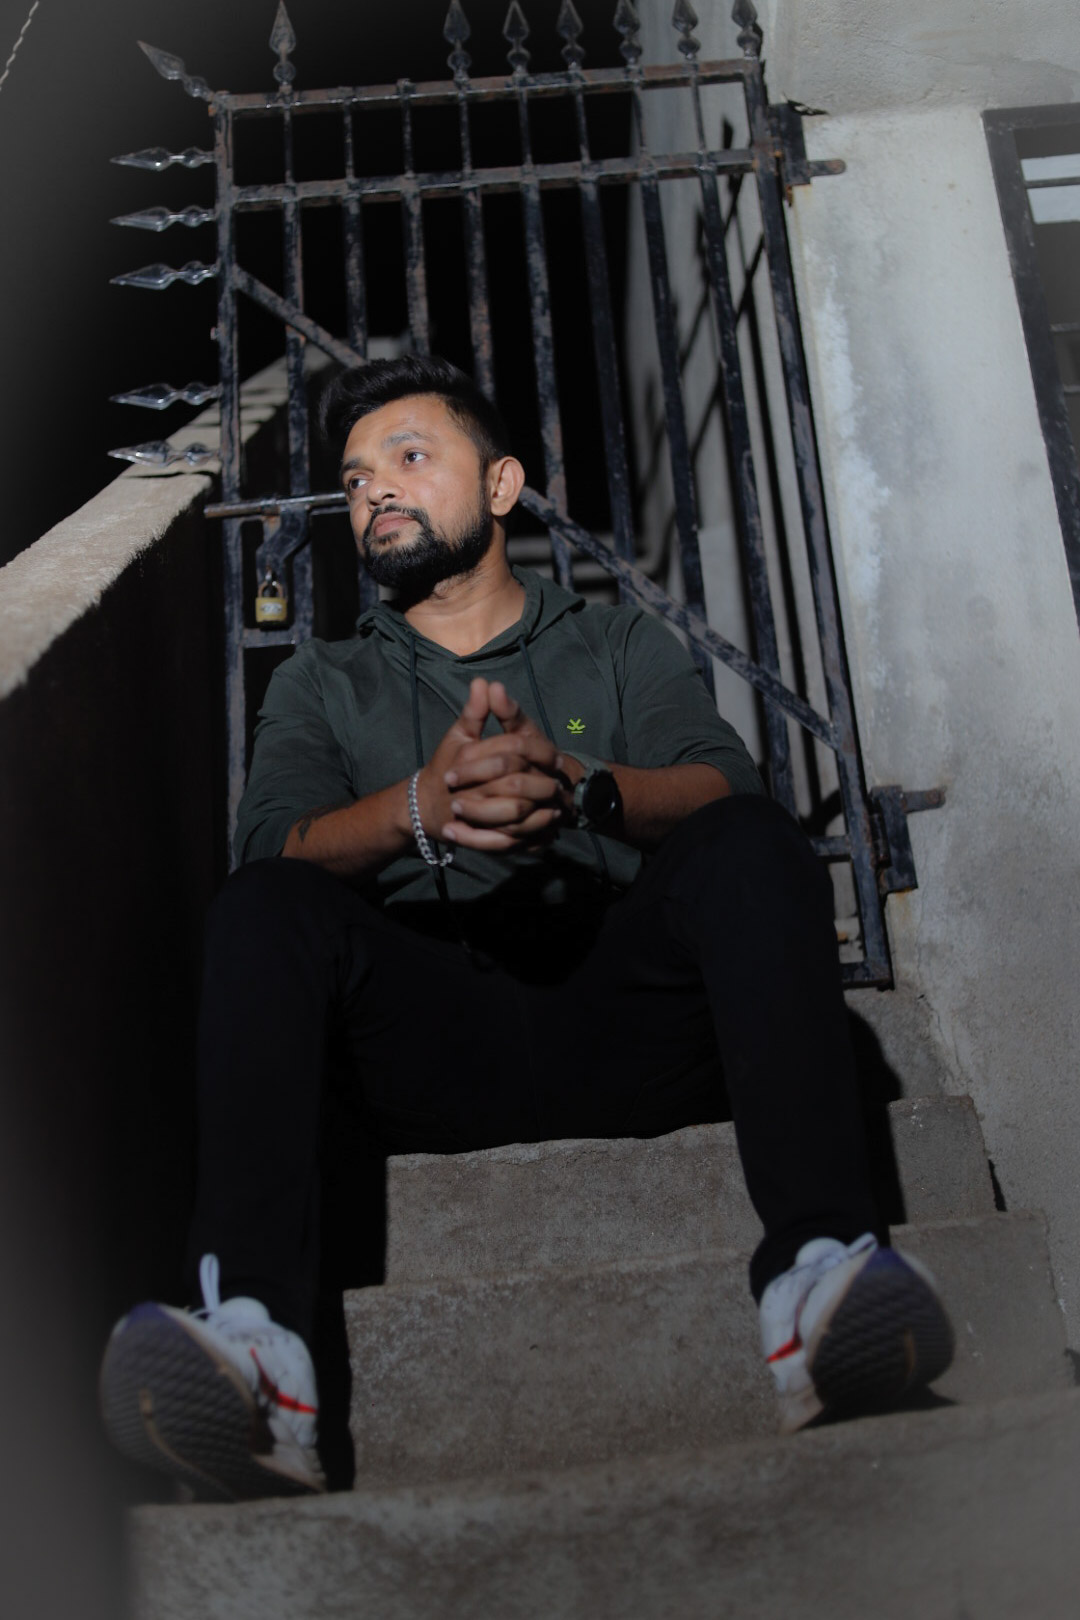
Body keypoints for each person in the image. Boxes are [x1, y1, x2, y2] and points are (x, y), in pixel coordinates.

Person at [100, 355, 954, 1501]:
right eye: (354, 478)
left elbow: (723, 781)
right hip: (428, 1045)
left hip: (625, 1020)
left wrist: (583, 787)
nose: (375, 489)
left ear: (501, 486)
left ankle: (818, 1281)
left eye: (410, 457)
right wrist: (421, 807)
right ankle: (259, 1359)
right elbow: (273, 846)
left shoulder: (614, 642)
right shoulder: (323, 679)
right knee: (263, 907)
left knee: (752, 841)